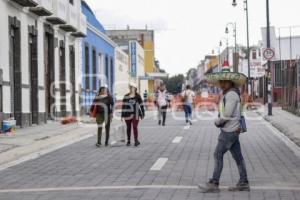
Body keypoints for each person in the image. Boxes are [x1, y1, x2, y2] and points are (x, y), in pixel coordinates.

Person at [198, 62, 249, 193]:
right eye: (220, 81)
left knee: (217, 154)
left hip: (229, 131)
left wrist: (217, 122)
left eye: (224, 82)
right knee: (238, 157)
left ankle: (214, 183)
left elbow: (227, 115)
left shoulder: (231, 94)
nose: (221, 84)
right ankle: (243, 182)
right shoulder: (230, 93)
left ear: (230, 82)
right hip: (233, 130)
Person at [121, 82, 145, 147]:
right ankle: (128, 141)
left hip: (136, 114)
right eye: (131, 87)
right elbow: (123, 106)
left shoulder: (137, 96)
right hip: (127, 114)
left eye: (133, 87)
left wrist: (143, 113)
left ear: (135, 88)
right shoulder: (126, 96)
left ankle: (136, 141)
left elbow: (141, 105)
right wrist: (122, 115)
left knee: (134, 126)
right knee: (128, 127)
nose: (132, 88)